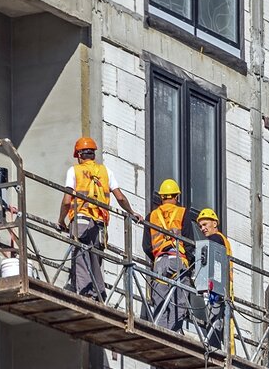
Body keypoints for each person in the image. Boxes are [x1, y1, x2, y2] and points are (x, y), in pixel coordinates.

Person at [57, 136, 141, 299]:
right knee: (95, 258)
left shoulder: (74, 171)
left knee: (81, 256)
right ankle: (99, 292)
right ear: (93, 155)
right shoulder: (106, 172)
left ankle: (85, 293)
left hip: (81, 220)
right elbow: (120, 198)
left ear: (79, 155)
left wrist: (61, 221)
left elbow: (67, 201)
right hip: (100, 224)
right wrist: (132, 212)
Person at [142, 179, 198, 332]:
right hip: (178, 261)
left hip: (159, 262)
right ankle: (174, 332)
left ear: (161, 197)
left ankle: (161, 332)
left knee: (160, 301)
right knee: (179, 301)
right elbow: (189, 242)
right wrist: (191, 263)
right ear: (176, 197)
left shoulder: (151, 216)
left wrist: (157, 258)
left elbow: (146, 246)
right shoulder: (183, 213)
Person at [196, 208, 233, 349]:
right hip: (223, 286)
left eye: (205, 224)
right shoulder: (223, 240)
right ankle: (217, 345)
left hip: (217, 287)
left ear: (215, 223)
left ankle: (213, 347)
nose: (202, 228)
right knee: (219, 318)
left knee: (214, 317)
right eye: (200, 226)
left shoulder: (215, 239)